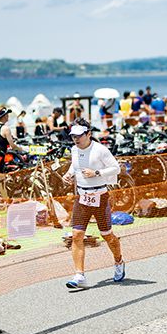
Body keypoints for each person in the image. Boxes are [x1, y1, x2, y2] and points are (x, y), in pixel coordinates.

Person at [60, 118, 125, 289]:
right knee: (76, 235)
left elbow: (116, 168)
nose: (76, 139)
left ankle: (118, 260)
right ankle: (79, 275)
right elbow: (75, 167)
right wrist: (69, 175)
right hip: (82, 197)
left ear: (89, 134)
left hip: (100, 196)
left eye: (79, 135)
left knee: (107, 235)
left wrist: (96, 172)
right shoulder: (74, 149)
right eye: (73, 136)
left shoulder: (100, 150)